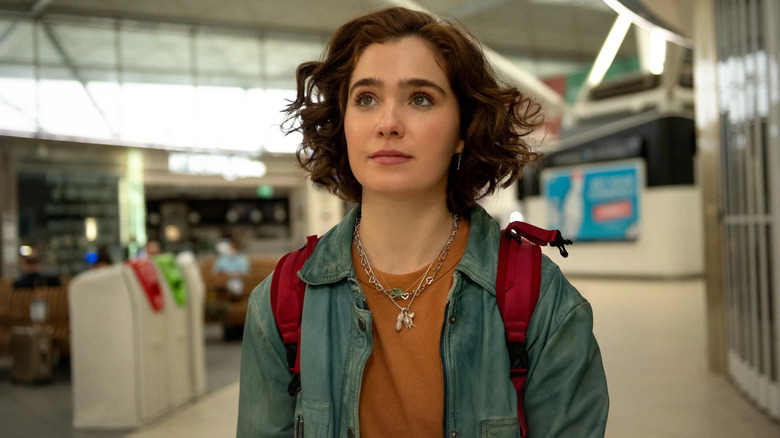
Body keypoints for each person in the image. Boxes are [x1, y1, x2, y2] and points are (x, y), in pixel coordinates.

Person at [237, 7, 608, 438]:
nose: (388, 124)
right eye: (366, 98)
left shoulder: (543, 304)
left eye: (420, 98)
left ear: (463, 130)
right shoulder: (283, 304)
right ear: (343, 124)